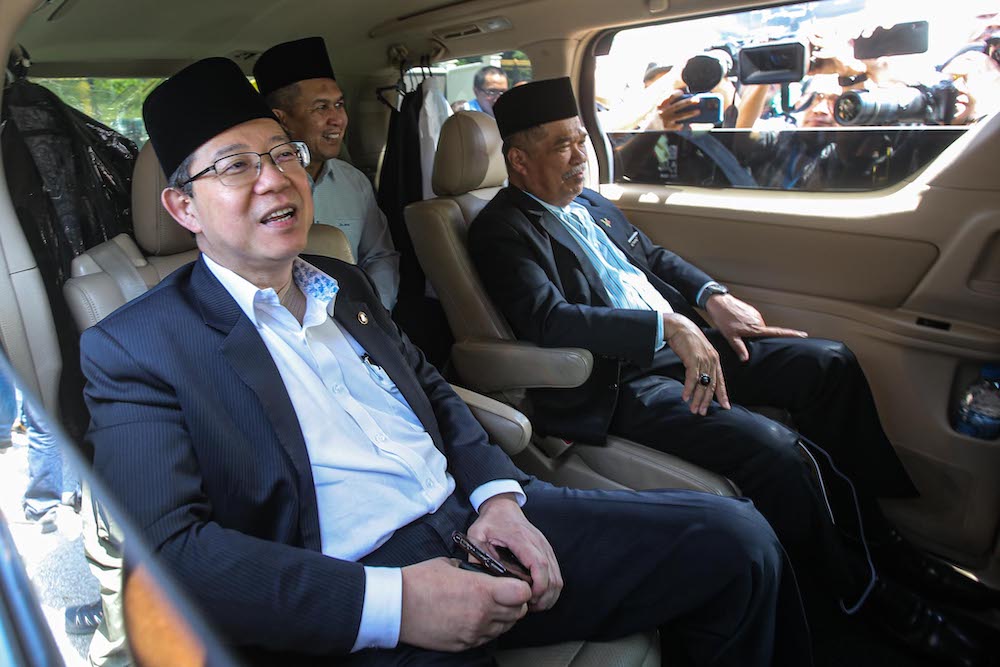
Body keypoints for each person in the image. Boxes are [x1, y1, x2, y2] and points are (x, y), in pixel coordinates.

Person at [81, 57, 810, 666]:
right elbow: (169, 555)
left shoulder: (347, 283)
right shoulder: (136, 345)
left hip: (477, 515)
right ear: (182, 207)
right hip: (356, 579)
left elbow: (434, 391)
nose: (273, 179)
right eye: (236, 166)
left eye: (282, 154)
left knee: (739, 541)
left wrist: (501, 496)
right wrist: (397, 604)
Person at [468, 77, 994, 665]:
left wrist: (711, 296)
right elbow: (547, 318)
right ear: (518, 160)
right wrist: (668, 327)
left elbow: (652, 256)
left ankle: (882, 543)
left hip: (680, 347)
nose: (580, 156)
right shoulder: (499, 229)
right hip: (619, 380)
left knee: (828, 364)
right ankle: (863, 598)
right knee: (776, 449)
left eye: (582, 139)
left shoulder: (587, 202)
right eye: (562, 146)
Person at [253, 37, 399, 311]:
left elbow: (380, 256)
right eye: (321, 107)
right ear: (281, 119)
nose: (338, 119)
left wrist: (375, 311)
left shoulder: (354, 182)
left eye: (339, 104)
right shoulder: (260, 189)